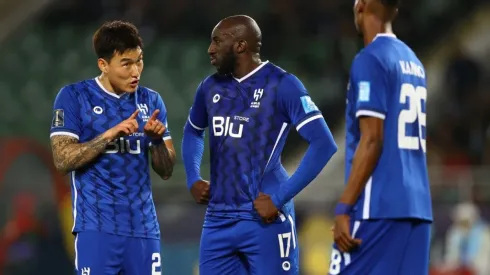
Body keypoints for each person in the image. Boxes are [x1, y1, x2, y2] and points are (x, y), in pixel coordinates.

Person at [182, 15, 337, 275]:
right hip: (218, 219)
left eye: (217, 41)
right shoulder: (209, 88)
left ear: (241, 45)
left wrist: (279, 198)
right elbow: (193, 131)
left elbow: (324, 144)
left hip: (264, 216)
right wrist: (192, 178)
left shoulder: (282, 85)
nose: (210, 49)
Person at [49, 20, 175, 275]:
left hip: (143, 228)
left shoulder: (151, 101)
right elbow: (62, 160)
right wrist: (109, 134)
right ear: (103, 65)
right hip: (96, 227)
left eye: (139, 60)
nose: (135, 72)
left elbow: (166, 170)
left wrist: (157, 141)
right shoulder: (74, 97)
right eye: (126, 64)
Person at [329, 0, 432, 274]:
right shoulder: (414, 62)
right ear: (395, 10)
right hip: (419, 209)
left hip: (377, 208)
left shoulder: (370, 59)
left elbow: (372, 139)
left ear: (360, 5)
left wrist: (344, 207)